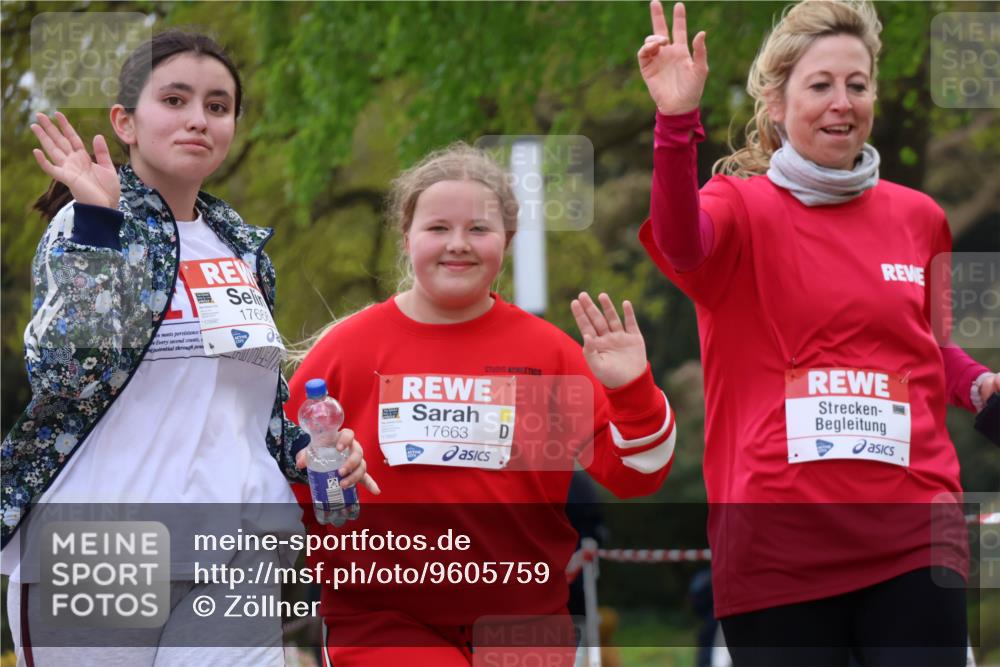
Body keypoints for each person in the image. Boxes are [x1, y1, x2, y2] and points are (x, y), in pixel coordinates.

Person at [635, 1, 998, 665]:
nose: (842, 103)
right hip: (779, 547)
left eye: (857, 85)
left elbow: (926, 343)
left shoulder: (919, 218)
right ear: (777, 103)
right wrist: (675, 121)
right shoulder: (736, 208)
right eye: (820, 85)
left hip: (913, 531)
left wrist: (977, 384)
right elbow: (678, 243)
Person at [0, 30, 375, 666]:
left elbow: (252, 405)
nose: (198, 119)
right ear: (126, 121)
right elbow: (65, 373)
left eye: (218, 106)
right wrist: (98, 224)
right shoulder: (86, 226)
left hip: (236, 547)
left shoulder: (241, 247)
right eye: (174, 100)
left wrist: (316, 452)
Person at [286, 142, 678, 666]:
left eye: (478, 229)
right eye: (437, 228)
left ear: (508, 240)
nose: (458, 245)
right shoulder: (347, 353)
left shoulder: (548, 353)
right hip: (384, 620)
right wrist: (325, 475)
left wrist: (633, 389)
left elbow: (639, 473)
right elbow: (280, 484)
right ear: (406, 239)